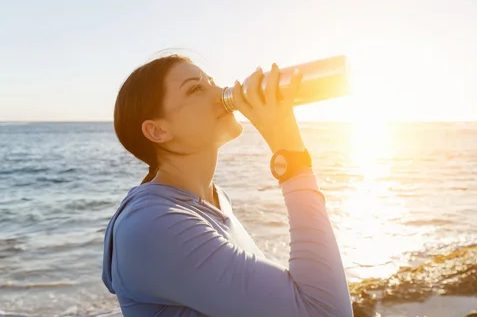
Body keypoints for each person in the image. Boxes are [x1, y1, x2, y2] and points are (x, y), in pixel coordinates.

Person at [101, 54, 353, 317]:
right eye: (196, 88)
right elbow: (326, 312)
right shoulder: (152, 224)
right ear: (158, 131)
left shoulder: (214, 200)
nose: (221, 91)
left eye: (212, 81)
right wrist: (290, 156)